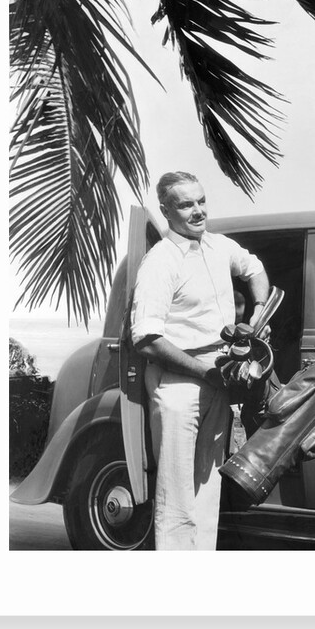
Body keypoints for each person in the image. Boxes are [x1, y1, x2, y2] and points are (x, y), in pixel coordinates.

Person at [130, 171, 270, 550]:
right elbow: (146, 339)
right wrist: (205, 372)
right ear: (166, 210)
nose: (197, 211)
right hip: (179, 381)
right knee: (177, 495)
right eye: (185, 204)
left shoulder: (219, 246)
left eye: (201, 201)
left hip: (218, 379)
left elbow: (254, 269)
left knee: (208, 492)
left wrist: (257, 312)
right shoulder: (160, 261)